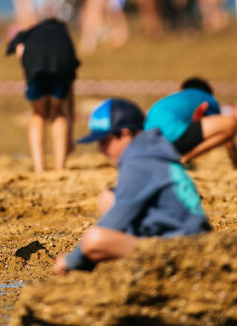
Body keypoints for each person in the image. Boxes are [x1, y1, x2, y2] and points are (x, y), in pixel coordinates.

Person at [52, 98, 211, 274]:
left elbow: (116, 219)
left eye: (104, 141)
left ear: (125, 134)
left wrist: (71, 260)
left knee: (94, 240)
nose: (101, 150)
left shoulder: (139, 162)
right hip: (181, 234)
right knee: (108, 197)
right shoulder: (149, 150)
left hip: (184, 249)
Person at [7, 18, 79, 173]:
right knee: (58, 113)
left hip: (34, 63)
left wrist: (29, 70)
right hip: (61, 61)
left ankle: (40, 169)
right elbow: (70, 88)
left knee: (38, 114)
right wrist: (70, 132)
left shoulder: (31, 32)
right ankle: (60, 167)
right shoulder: (64, 35)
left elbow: (18, 49)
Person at [144, 78, 237, 169]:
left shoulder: (171, 98)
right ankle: (184, 159)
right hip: (173, 138)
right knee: (231, 123)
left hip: (149, 141)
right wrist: (236, 164)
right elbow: (227, 135)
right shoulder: (207, 97)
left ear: (181, 89)